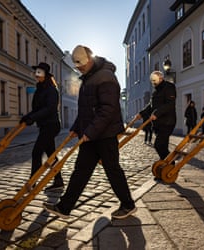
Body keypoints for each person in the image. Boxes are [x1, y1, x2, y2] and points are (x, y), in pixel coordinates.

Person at [44, 45, 136, 219]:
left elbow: (108, 109)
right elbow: (86, 110)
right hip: (91, 135)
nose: (78, 68)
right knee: (81, 170)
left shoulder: (106, 77)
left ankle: (128, 204)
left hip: (106, 134)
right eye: (76, 65)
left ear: (90, 59)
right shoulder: (89, 77)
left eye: (80, 64)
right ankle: (64, 207)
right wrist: (76, 128)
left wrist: (90, 132)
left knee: (112, 170)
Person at [20, 62, 63, 192]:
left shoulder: (51, 90)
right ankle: (58, 180)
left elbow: (49, 109)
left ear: (45, 75)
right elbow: (37, 109)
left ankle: (33, 180)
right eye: (36, 73)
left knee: (37, 152)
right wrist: (27, 117)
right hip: (45, 125)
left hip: (52, 125)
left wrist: (33, 118)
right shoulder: (40, 89)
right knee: (51, 155)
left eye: (39, 73)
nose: (36, 75)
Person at [135, 71, 177, 161]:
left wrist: (157, 114)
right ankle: (165, 167)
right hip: (158, 124)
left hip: (167, 122)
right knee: (163, 147)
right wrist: (141, 114)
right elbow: (151, 106)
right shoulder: (155, 92)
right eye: (152, 81)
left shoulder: (169, 87)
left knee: (159, 145)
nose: (153, 83)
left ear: (161, 78)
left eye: (154, 80)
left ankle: (170, 164)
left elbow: (169, 104)